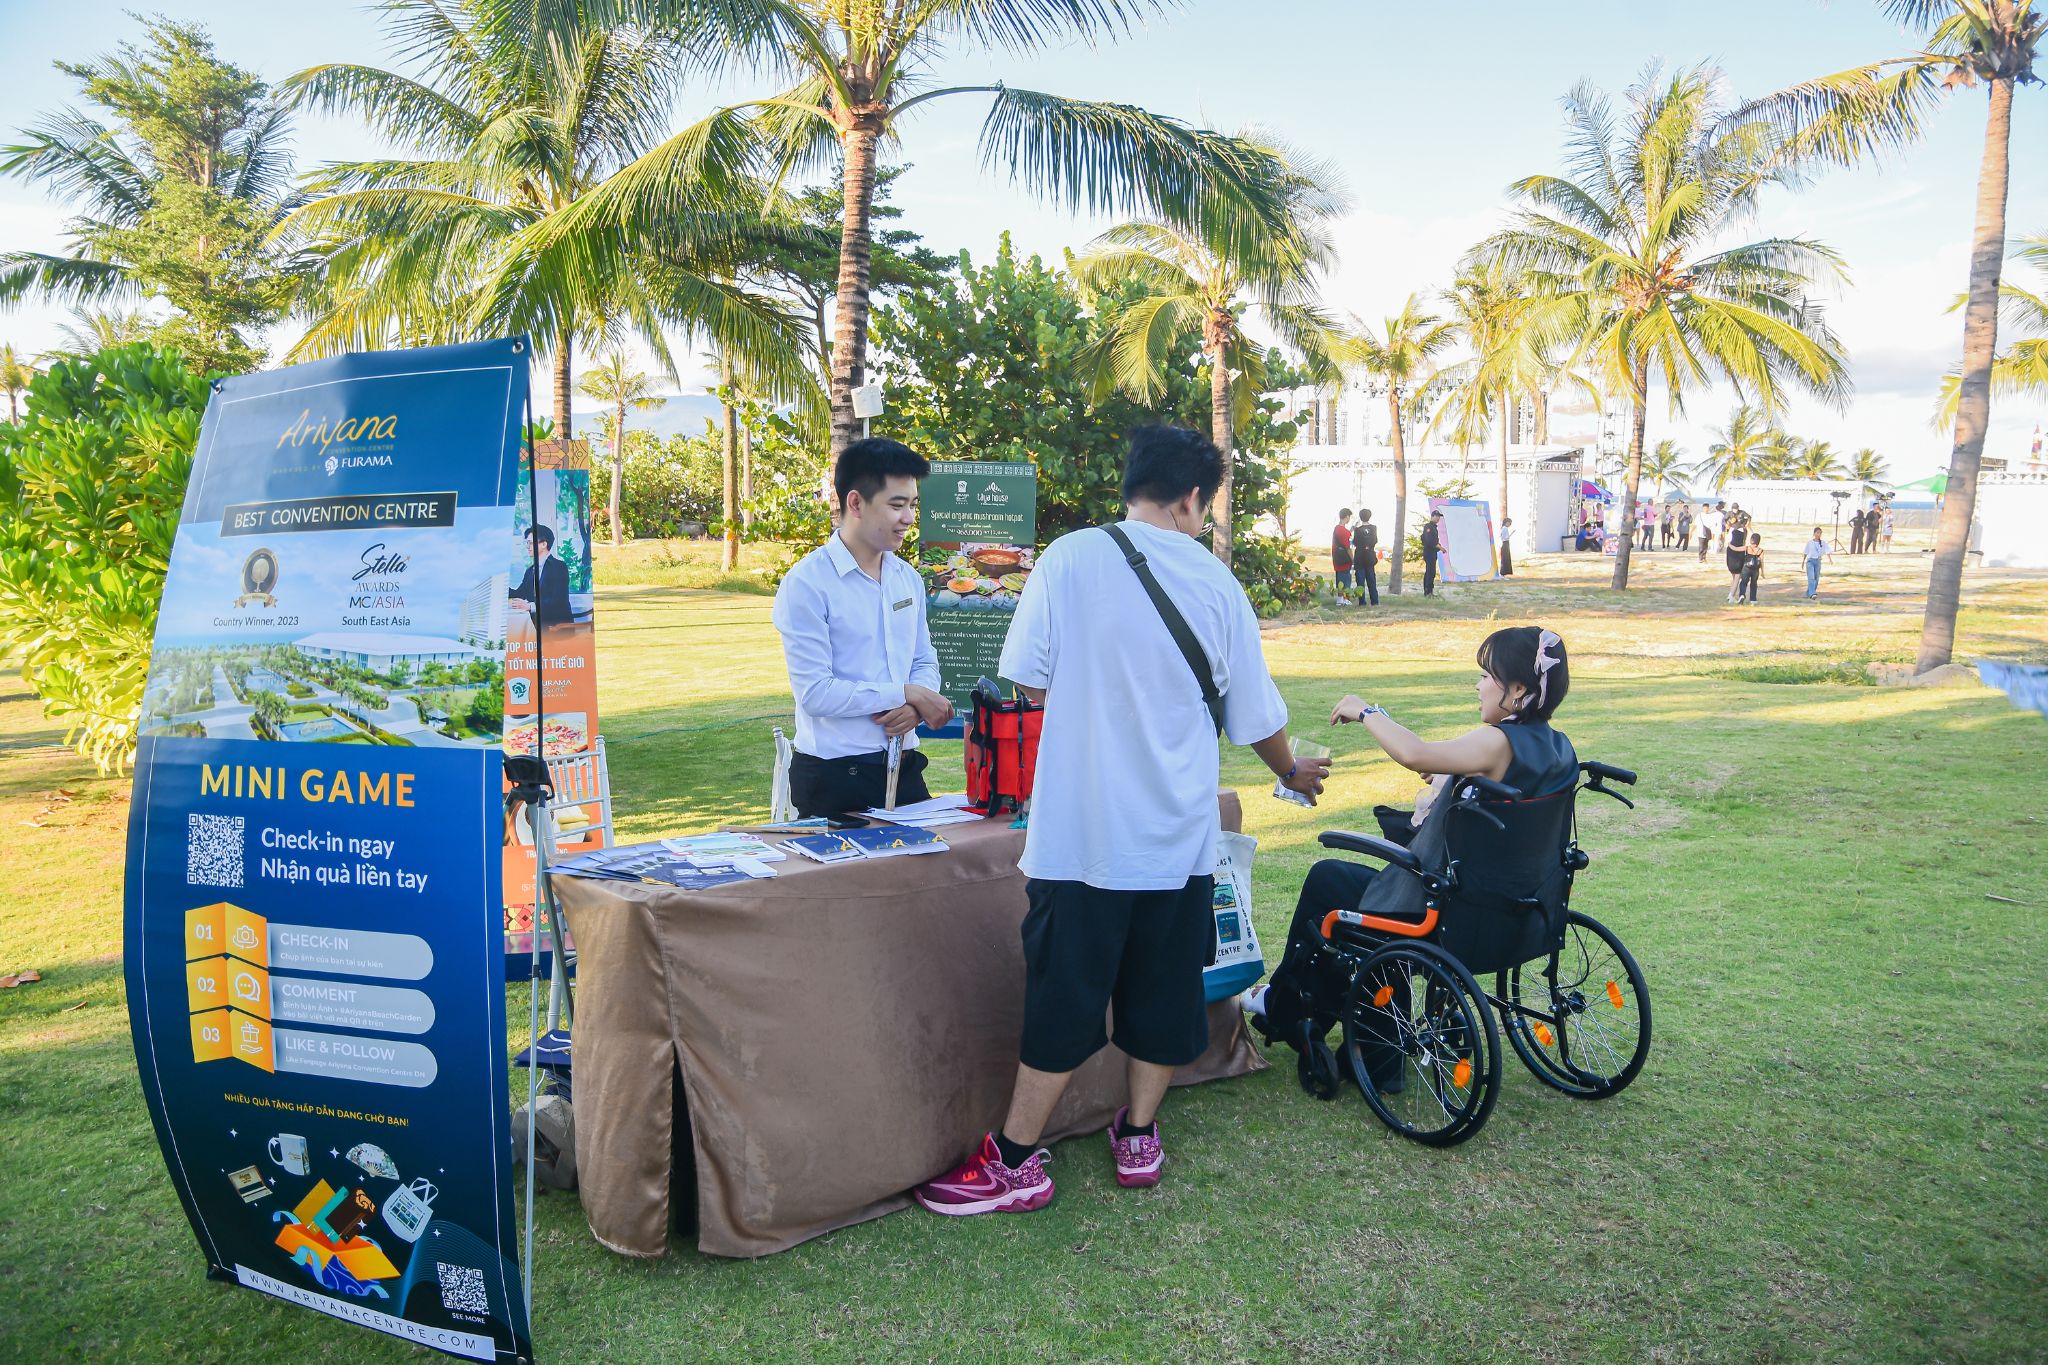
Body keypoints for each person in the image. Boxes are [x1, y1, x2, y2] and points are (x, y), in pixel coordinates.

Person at [911, 427, 1329, 1217]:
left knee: (1064, 995)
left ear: (1134, 486)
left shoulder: (1070, 557)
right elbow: (1255, 716)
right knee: (1164, 991)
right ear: (1191, 499)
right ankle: (1138, 1133)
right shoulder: (1217, 582)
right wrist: (1291, 773)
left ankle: (1017, 1160)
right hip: (1179, 840)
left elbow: (1026, 685)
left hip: (1084, 837)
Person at [1245, 626, 1579, 1064]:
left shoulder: (1496, 741)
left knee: (1329, 880)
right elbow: (1495, 785)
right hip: (1518, 910)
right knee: (1345, 887)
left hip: (1449, 914)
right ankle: (1331, 1026)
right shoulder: (1558, 747)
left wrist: (1367, 711)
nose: (1477, 685)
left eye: (1486, 675)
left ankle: (1286, 1006)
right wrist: (1454, 778)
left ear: (1518, 689)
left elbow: (1415, 754)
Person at [771, 437, 954, 818]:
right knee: (843, 880)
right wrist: (904, 693)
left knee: (927, 878)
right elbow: (816, 693)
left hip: (904, 768)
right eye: (896, 505)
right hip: (833, 778)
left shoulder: (907, 579)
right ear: (855, 502)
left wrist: (916, 707)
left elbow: (924, 660)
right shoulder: (807, 583)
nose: (908, 518)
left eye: (912, 505)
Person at [509, 524, 574, 626]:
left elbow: (559, 601)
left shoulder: (559, 567)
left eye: (530, 543)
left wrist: (530, 606)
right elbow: (520, 593)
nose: (527, 547)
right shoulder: (530, 570)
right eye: (527, 543)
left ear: (544, 544)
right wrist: (501, 589)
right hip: (537, 625)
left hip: (557, 627)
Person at [1355, 509, 1380, 606]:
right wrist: (1368, 546)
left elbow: (1356, 542)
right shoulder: (1374, 528)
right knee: (1371, 580)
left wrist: (1363, 546)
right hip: (1370, 556)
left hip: (1360, 557)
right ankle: (1375, 601)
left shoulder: (1357, 530)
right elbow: (1375, 540)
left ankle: (1362, 602)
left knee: (1360, 581)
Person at [1724, 512, 1750, 602]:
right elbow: (1743, 543)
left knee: (1734, 576)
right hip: (1738, 553)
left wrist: (1730, 546)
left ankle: (1731, 594)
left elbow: (1728, 540)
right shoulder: (1744, 531)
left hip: (1730, 552)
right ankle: (1731, 596)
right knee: (1737, 576)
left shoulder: (1731, 529)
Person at [1331, 508, 1355, 602]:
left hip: (1337, 557)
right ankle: (1345, 599)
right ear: (1347, 516)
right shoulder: (1344, 531)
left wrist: (1350, 531)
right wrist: (1352, 559)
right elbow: (1348, 547)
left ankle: (1340, 599)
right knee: (1345, 579)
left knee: (1339, 579)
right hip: (1344, 558)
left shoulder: (1337, 528)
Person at [1738, 533, 1764, 604]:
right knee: (1754, 584)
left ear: (1751, 540)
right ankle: (1753, 599)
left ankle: (1742, 595)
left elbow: (1737, 549)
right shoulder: (1761, 550)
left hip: (1746, 568)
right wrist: (1762, 572)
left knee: (1743, 582)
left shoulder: (1747, 548)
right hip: (1755, 570)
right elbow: (1761, 561)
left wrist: (1730, 545)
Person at [1420, 511, 1442, 595]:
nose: (1438, 518)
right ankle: (1428, 591)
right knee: (1430, 572)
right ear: (1432, 516)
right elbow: (1429, 540)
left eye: (1439, 517)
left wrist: (1438, 545)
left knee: (1431, 572)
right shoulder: (1428, 527)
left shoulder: (1434, 527)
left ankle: (1429, 591)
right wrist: (1439, 547)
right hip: (1429, 552)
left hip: (1433, 552)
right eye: (1436, 516)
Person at [1803, 525, 1826, 600]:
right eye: (1817, 533)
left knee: (1816, 578)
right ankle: (1812, 593)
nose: (1818, 534)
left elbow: (1824, 551)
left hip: (1818, 562)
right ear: (1814, 533)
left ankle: (1809, 592)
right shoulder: (1810, 543)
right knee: (1811, 577)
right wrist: (1803, 561)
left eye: (1820, 533)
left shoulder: (1822, 543)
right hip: (1810, 561)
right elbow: (1806, 552)